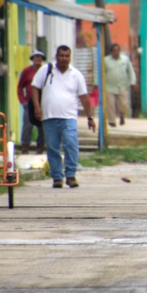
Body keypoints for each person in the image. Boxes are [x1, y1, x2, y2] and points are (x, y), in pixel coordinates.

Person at [31, 45, 96, 189]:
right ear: (56, 56)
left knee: (71, 143)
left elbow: (84, 97)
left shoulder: (76, 74)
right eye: (61, 56)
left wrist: (90, 118)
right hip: (49, 117)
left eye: (67, 56)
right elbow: (35, 87)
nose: (64, 59)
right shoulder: (46, 70)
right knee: (53, 148)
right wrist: (37, 107)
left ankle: (71, 175)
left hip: (69, 117)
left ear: (70, 57)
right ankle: (57, 177)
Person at [17, 50, 46, 154]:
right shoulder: (27, 71)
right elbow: (20, 87)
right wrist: (23, 101)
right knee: (27, 125)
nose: (38, 59)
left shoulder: (45, 70)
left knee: (42, 125)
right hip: (29, 102)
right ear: (32, 59)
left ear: (43, 59)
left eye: (40, 57)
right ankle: (25, 145)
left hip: (43, 101)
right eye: (35, 57)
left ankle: (40, 145)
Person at [104, 43, 137, 128]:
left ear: (120, 51)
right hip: (109, 86)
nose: (116, 53)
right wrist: (97, 84)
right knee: (110, 104)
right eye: (114, 51)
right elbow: (101, 73)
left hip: (122, 86)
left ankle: (122, 116)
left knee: (123, 104)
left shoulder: (125, 60)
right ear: (111, 52)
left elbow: (130, 72)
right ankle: (111, 121)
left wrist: (133, 82)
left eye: (118, 50)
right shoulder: (105, 60)